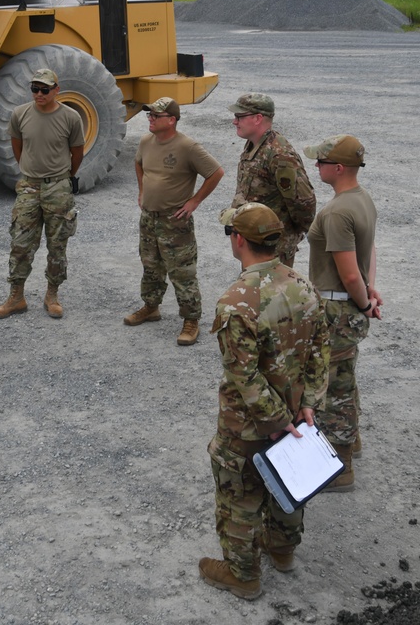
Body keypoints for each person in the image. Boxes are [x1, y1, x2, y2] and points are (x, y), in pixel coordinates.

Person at [199, 203, 329, 601]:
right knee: (288, 483)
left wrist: (273, 421)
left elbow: (245, 376)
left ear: (239, 240)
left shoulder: (237, 301)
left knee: (239, 492)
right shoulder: (303, 285)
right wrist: (307, 405)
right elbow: (320, 350)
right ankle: (283, 550)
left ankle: (243, 574)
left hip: (249, 425)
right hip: (295, 415)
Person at [304, 134, 382, 491]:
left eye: (320, 162)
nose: (315, 166)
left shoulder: (336, 212)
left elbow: (349, 272)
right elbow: (369, 253)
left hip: (336, 306)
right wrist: (368, 291)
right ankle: (353, 439)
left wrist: (364, 300)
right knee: (346, 375)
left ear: (338, 168)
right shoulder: (361, 199)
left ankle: (340, 464)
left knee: (331, 387)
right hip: (348, 303)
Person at [123, 96, 224, 346]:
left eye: (155, 116)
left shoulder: (187, 147)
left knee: (182, 272)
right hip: (149, 217)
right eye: (150, 115)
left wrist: (194, 201)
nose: (150, 119)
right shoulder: (146, 141)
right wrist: (142, 191)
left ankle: (191, 320)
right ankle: (151, 306)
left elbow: (215, 172)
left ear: (171, 120)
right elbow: (138, 163)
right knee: (151, 265)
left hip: (174, 222)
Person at [0, 68, 84, 320]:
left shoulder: (71, 117)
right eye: (35, 89)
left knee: (57, 245)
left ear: (56, 89)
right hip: (29, 186)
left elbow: (77, 152)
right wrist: (29, 171)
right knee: (20, 243)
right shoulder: (19, 114)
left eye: (44, 89)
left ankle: (52, 295)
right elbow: (17, 146)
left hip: (58, 187)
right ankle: (16, 297)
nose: (39, 94)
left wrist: (63, 177)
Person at [229, 93, 315, 267]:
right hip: (255, 242)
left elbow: (304, 202)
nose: (234, 121)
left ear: (258, 118)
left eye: (239, 116)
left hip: (273, 248)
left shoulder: (279, 154)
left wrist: (290, 234)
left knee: (270, 293)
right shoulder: (254, 144)